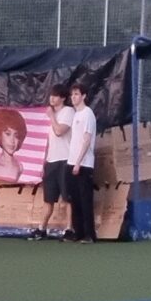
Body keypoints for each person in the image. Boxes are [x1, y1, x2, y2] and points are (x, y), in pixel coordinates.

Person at [61, 82, 98, 243]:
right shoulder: (76, 115)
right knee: (74, 199)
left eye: (77, 94)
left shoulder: (87, 114)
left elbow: (87, 139)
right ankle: (79, 233)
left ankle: (90, 235)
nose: (74, 97)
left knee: (85, 200)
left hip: (84, 164)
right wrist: (71, 162)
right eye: (72, 94)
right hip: (72, 162)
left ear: (83, 96)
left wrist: (78, 162)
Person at [37, 88, 73, 238]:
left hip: (65, 160)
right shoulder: (50, 113)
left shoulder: (68, 112)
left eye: (56, 95)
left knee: (68, 198)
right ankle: (41, 228)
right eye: (51, 95)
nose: (52, 98)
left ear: (63, 98)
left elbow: (59, 131)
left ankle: (69, 228)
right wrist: (43, 161)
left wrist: (52, 116)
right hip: (51, 161)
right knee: (48, 199)